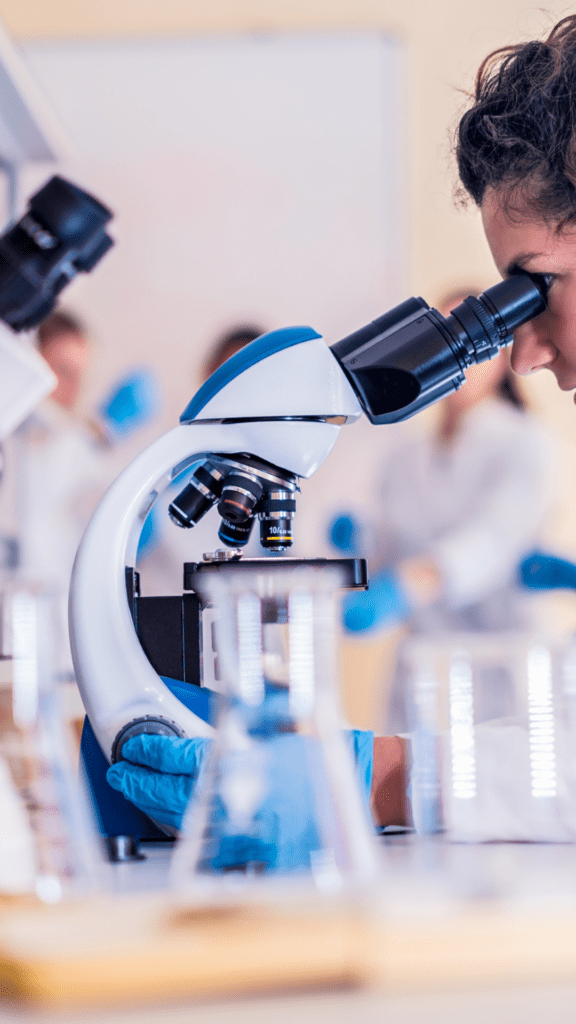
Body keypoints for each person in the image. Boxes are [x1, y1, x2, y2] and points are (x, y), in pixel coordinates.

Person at [111, 15, 576, 850]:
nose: (526, 353)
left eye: (535, 290)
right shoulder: (415, 455)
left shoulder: (515, 447)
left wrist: (381, 777)